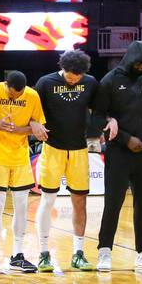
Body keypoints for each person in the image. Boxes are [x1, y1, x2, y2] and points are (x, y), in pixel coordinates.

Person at [93, 40, 142, 272]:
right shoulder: (110, 80)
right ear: (129, 60)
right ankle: (104, 250)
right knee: (113, 203)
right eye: (138, 64)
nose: (141, 68)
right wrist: (126, 139)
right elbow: (99, 117)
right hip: (119, 152)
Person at [35, 49, 101, 272]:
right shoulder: (45, 83)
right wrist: (35, 124)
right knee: (47, 200)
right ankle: (43, 253)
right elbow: (34, 112)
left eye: (78, 76)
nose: (74, 79)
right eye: (71, 76)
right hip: (53, 147)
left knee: (80, 201)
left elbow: (99, 109)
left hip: (79, 149)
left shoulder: (90, 82)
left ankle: (79, 253)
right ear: (62, 69)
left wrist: (106, 123)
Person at [0, 70, 47, 274]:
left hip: (19, 156)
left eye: (18, 96)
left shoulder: (32, 96)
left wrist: (20, 130)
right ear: (5, 85)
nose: (14, 99)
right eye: (11, 96)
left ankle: (18, 255)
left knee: (22, 206)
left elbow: (36, 125)